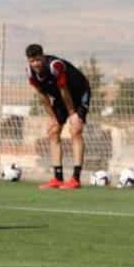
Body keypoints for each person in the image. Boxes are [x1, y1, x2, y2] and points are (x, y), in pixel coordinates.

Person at [26, 44, 91, 190]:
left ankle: (75, 179)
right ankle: (58, 177)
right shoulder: (30, 73)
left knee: (75, 130)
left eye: (38, 59)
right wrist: (52, 116)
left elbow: (64, 90)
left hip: (79, 93)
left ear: (43, 56)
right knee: (53, 130)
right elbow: (42, 95)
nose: (36, 63)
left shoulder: (55, 66)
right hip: (61, 97)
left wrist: (73, 114)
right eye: (32, 61)